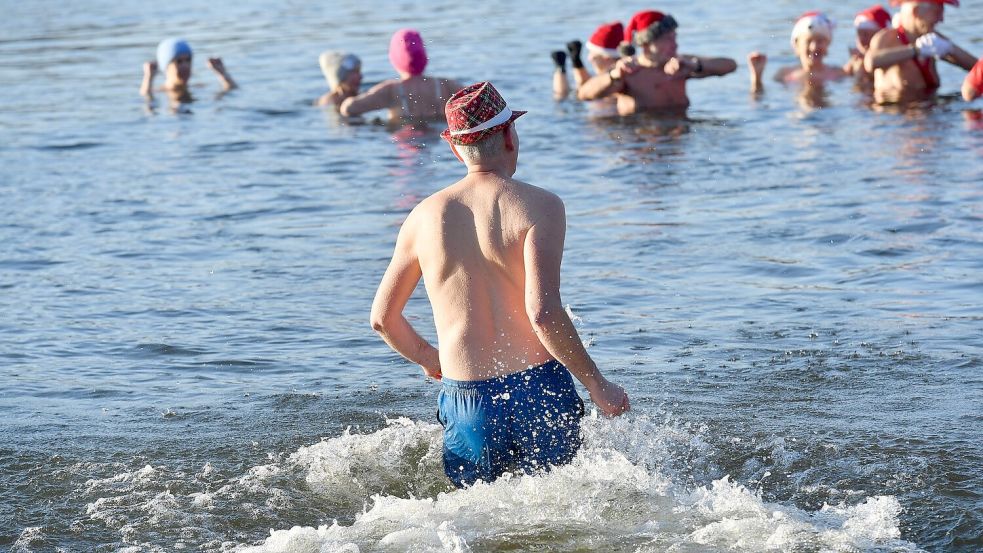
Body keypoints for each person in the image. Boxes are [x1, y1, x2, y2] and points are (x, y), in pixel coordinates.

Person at [370, 81, 630, 488]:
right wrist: (596, 383)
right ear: (510, 135)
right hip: (539, 388)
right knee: (559, 509)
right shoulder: (540, 205)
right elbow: (543, 313)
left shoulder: (423, 217)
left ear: (456, 149)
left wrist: (430, 360)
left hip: (468, 398)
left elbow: (384, 319)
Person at [577, 10, 736, 114]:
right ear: (646, 44)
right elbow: (584, 94)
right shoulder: (630, 71)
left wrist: (695, 65)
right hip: (641, 142)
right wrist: (613, 75)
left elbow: (730, 65)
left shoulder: (680, 65)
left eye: (675, 38)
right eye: (667, 39)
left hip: (679, 135)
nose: (675, 44)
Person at [864, 0, 978, 104]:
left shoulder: (932, 38)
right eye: (937, 13)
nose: (941, 19)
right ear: (916, 12)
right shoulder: (888, 38)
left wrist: (950, 49)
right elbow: (870, 62)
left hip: (930, 105)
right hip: (897, 114)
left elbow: (977, 70)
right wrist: (915, 50)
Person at [340, 29, 462, 124]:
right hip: (436, 136)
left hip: (405, 137)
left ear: (394, 59)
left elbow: (348, 108)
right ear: (424, 55)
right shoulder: (445, 85)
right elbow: (478, 100)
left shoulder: (391, 90)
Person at [748, 11, 847, 95]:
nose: (814, 47)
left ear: (827, 44)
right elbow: (759, 101)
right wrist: (757, 78)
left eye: (820, 41)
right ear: (797, 45)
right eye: (808, 41)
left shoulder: (839, 74)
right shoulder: (784, 75)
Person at [140, 38, 236, 105]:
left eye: (188, 60)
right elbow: (147, 102)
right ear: (166, 66)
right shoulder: (159, 92)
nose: (185, 66)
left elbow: (231, 92)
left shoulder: (198, 88)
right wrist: (148, 78)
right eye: (179, 61)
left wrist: (222, 73)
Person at [552, 22, 624, 100]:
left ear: (606, 56)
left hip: (601, 109)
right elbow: (589, 84)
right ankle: (562, 68)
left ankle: (560, 69)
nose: (589, 58)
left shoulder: (617, 76)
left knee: (562, 97)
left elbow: (582, 93)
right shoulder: (624, 71)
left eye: (592, 53)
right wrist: (576, 62)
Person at [844, 5, 893, 81]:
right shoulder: (854, 61)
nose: (862, 39)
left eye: (867, 35)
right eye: (859, 34)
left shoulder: (892, 58)